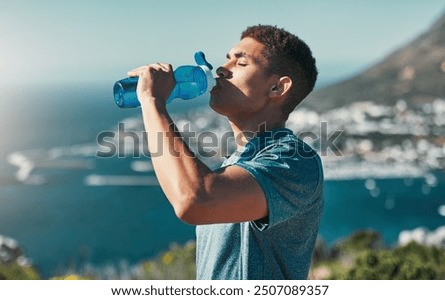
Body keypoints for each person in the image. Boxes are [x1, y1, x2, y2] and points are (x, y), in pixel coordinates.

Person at [127, 25, 323, 280]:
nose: (221, 69)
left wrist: (153, 102)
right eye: (226, 58)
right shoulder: (235, 164)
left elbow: (194, 201)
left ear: (277, 88)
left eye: (240, 63)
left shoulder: (295, 162)